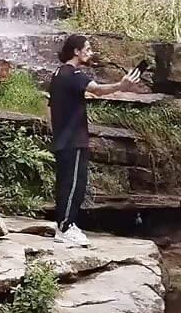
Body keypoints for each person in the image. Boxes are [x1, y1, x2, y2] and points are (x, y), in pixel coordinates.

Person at [46, 34, 148, 246]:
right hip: (73, 139)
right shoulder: (73, 74)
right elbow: (97, 90)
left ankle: (66, 224)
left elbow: (49, 108)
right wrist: (121, 85)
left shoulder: (57, 74)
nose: (91, 53)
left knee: (67, 183)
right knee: (74, 184)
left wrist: (56, 133)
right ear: (76, 51)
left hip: (64, 138)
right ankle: (65, 228)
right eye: (88, 49)